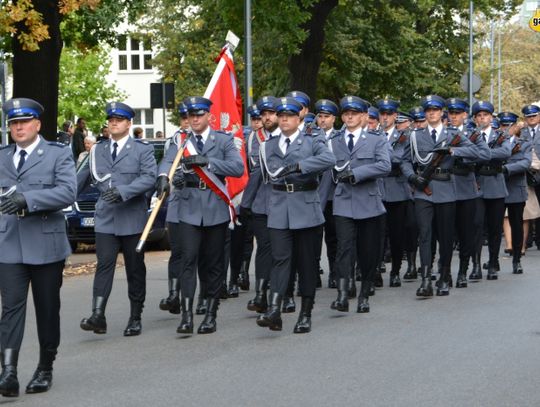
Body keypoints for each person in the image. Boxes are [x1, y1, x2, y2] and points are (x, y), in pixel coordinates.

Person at [0, 98, 77, 396]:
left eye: (23, 122)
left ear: (37, 125)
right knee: (11, 309)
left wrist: (28, 200)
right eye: (13, 123)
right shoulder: (3, 156)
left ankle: (45, 367)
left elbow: (68, 192)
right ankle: (8, 373)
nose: (18, 127)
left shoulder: (56, 154)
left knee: (47, 309)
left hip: (46, 244)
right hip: (9, 242)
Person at [157, 96, 244, 335]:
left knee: (213, 264)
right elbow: (166, 162)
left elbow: (237, 167)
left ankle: (210, 314)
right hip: (188, 207)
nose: (194, 119)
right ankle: (186, 316)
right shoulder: (181, 140)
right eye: (190, 116)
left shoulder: (224, 140)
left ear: (208, 116)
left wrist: (208, 161)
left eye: (198, 115)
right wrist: (163, 178)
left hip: (215, 208)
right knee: (188, 261)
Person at [256, 96, 335, 333]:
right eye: (281, 116)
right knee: (280, 260)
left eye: (289, 116)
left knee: (306, 263)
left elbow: (329, 159)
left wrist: (301, 166)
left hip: (305, 206)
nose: (284, 120)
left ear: (298, 117)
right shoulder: (268, 144)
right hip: (279, 207)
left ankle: (305, 313)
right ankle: (274, 310)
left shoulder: (312, 138)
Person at [79, 102, 157, 337]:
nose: (114, 123)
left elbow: (150, 178)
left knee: (134, 269)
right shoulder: (97, 150)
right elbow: (79, 180)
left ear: (129, 123)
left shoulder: (142, 149)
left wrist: (125, 191)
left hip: (131, 217)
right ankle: (98, 315)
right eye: (111, 119)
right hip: (106, 217)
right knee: (104, 265)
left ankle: (135, 317)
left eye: (119, 119)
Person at [404, 95, 478, 297]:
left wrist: (453, 150)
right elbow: (403, 160)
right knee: (425, 234)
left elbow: (480, 152)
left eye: (435, 110)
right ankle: (426, 279)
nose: (431, 113)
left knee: (445, 237)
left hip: (446, 189)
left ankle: (444, 275)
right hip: (423, 190)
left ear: (441, 113)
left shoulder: (452, 134)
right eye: (428, 110)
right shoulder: (415, 135)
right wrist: (411, 177)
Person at [329, 96, 390, 314]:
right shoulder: (334, 140)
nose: (350, 117)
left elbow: (385, 165)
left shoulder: (375, 139)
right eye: (346, 114)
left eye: (354, 113)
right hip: (343, 201)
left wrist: (356, 173)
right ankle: (343, 294)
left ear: (364, 116)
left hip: (368, 202)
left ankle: (364, 293)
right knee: (344, 249)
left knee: (368, 251)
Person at [241, 96, 281, 313]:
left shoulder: (287, 137)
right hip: (262, 203)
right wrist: (245, 204)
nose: (266, 117)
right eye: (263, 114)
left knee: (282, 250)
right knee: (264, 249)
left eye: (271, 113)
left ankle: (284, 292)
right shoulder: (253, 139)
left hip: (283, 202)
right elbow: (253, 172)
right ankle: (261, 294)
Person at [446, 98, 489, 287]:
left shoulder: (473, 134)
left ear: (465, 115)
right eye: (451, 113)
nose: (453, 116)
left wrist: (457, 152)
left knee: (466, 232)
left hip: (466, 186)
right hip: (444, 187)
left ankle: (463, 269)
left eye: (457, 113)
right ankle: (444, 271)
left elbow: (485, 154)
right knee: (445, 233)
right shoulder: (442, 132)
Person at [471, 101, 511, 280]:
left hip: (495, 184)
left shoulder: (501, 135)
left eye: (485, 115)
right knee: (476, 226)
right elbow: (466, 154)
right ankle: (476, 265)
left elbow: (505, 153)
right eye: (479, 115)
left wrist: (481, 153)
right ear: (474, 118)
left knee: (495, 228)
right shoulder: (470, 136)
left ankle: (493, 262)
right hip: (477, 184)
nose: (482, 118)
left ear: (491, 117)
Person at [377, 98, 414, 287]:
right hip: (376, 188)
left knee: (396, 234)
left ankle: (396, 270)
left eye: (388, 114)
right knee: (376, 234)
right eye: (382, 114)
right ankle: (375, 269)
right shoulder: (371, 134)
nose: (385, 118)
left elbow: (399, 158)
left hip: (396, 188)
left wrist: (379, 152)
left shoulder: (403, 136)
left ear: (394, 116)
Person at [498, 112, 532, 274]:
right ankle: (492, 261)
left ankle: (517, 259)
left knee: (516, 224)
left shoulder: (523, 144)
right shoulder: (494, 143)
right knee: (492, 225)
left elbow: (525, 163)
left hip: (515, 188)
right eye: (503, 125)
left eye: (508, 126)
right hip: (496, 188)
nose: (505, 129)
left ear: (514, 127)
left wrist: (505, 169)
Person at [315, 99, 340, 288]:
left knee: (333, 237)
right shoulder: (309, 137)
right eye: (320, 116)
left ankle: (334, 272)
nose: (322, 120)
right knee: (312, 238)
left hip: (331, 195)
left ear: (334, 119)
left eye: (327, 117)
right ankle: (313, 271)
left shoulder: (338, 138)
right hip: (312, 195)